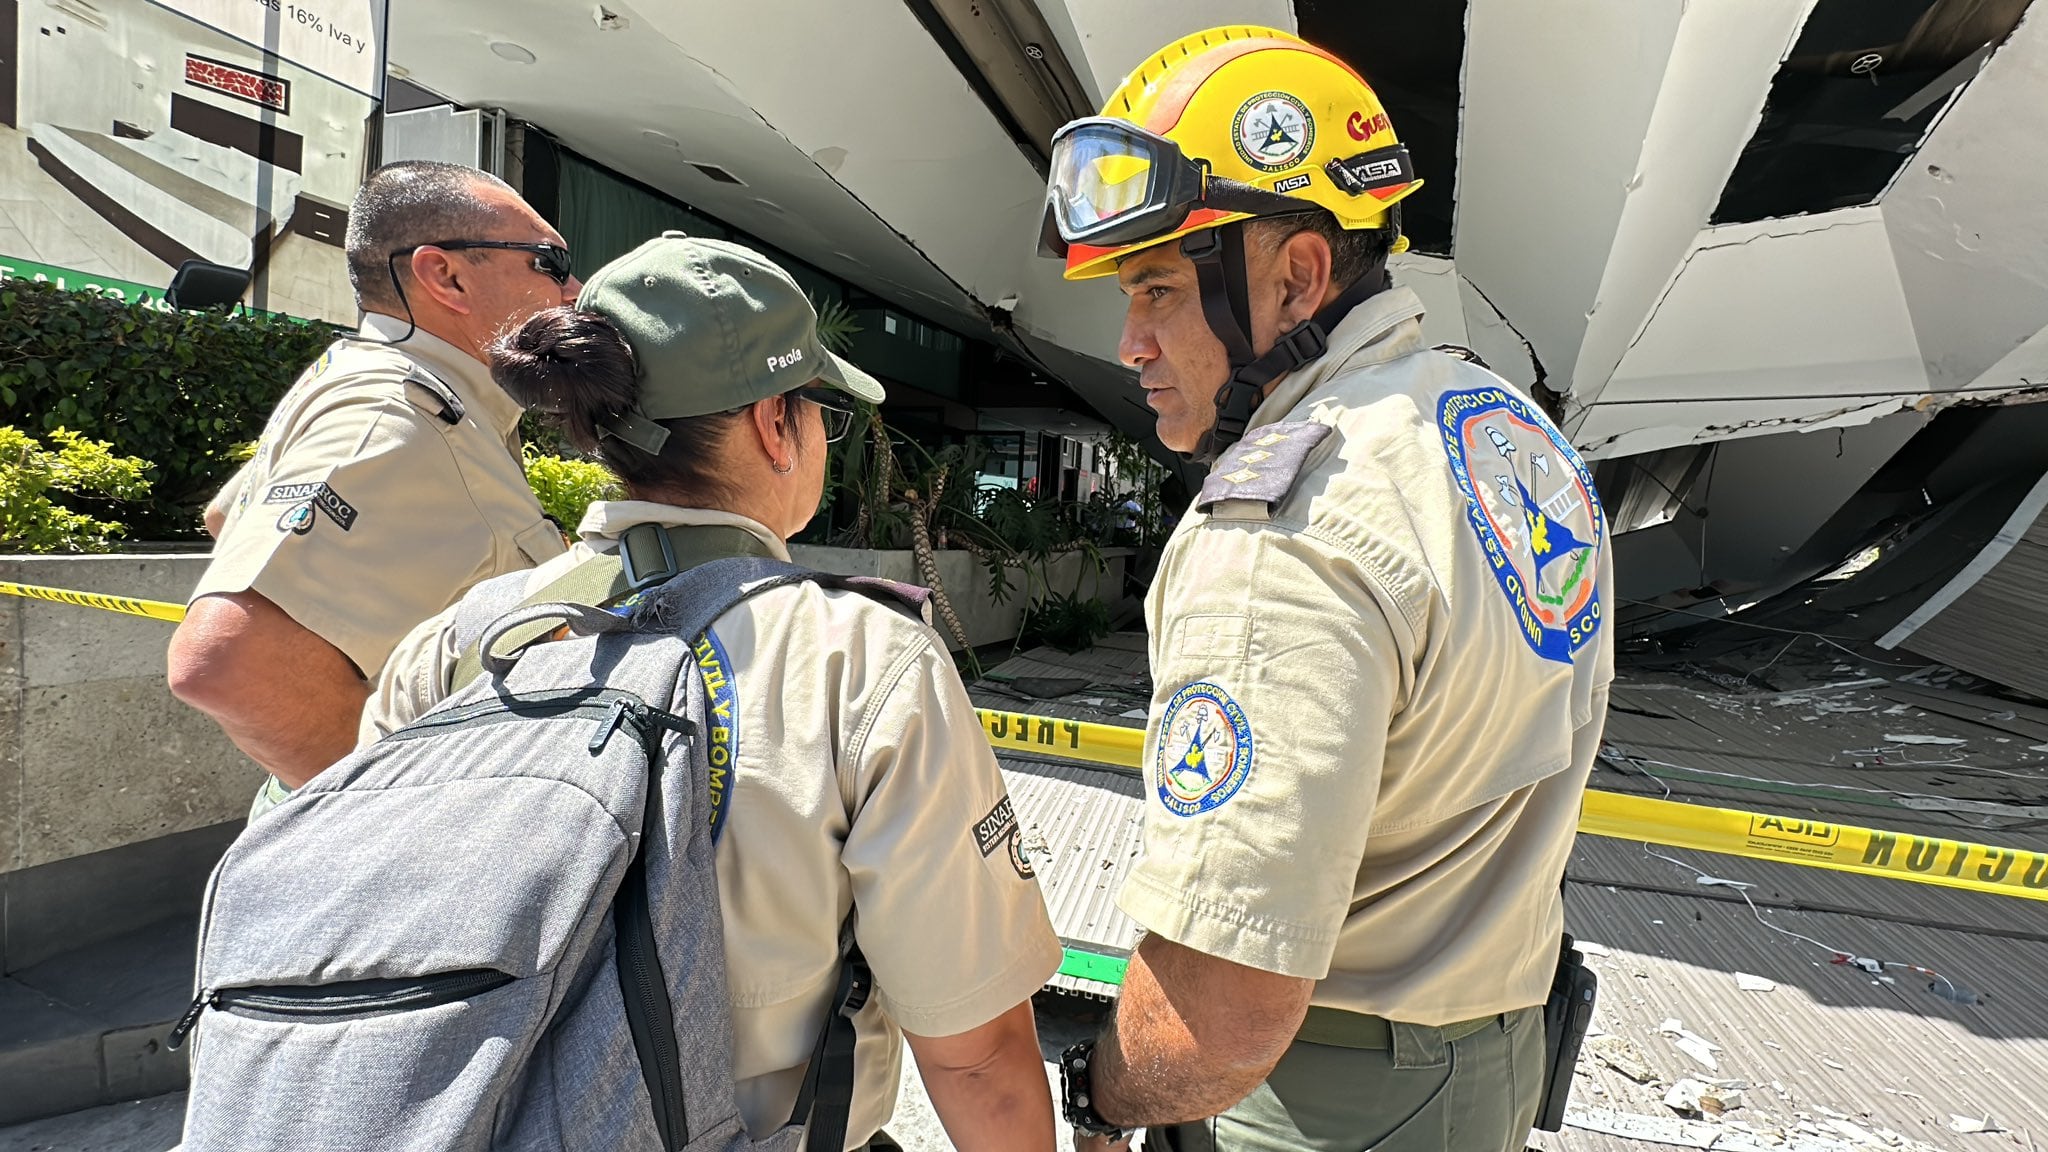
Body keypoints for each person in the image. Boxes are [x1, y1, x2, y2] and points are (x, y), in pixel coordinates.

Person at [1037, 26, 1615, 1152]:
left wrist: (1097, 1099)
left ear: (1297, 276)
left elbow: (1221, 1014)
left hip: (1316, 1102)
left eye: (1157, 288)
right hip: (1488, 1067)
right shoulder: (1499, 429)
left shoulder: (1282, 534)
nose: (1130, 341)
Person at [363, 234, 1063, 1151]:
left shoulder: (460, 643)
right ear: (776, 423)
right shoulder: (862, 659)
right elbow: (976, 1057)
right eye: (819, 412)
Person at [168, 161, 580, 815]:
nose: (573, 290)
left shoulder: (382, 383)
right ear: (445, 275)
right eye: (550, 264)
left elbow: (229, 521)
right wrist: (394, 823)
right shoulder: (395, 414)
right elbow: (226, 662)